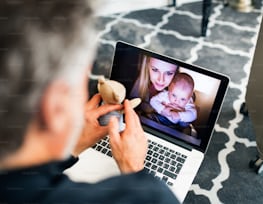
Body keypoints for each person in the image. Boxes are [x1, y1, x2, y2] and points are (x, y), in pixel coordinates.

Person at [0, 1, 179, 204]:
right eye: (83, 84)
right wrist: (134, 171)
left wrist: (71, 149)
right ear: (55, 106)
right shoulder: (149, 196)